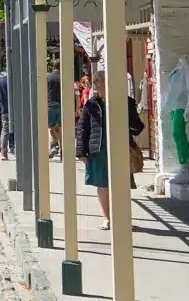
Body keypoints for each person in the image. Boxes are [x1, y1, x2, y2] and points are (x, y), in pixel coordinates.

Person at [75, 67, 144, 231]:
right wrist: (80, 151)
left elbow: (137, 126)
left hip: (120, 148)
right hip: (98, 150)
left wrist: (129, 126)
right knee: (103, 185)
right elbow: (82, 127)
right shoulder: (91, 104)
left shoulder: (125, 101)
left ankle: (123, 219)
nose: (95, 85)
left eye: (98, 81)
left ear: (108, 82)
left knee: (121, 185)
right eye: (94, 82)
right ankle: (107, 219)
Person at [0, 69, 13, 159]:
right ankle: (14, 148)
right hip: (16, 109)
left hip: (5, 109)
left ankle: (4, 153)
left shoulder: (1, 81)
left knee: (5, 130)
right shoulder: (16, 80)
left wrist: (0, 107)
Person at [47, 61, 62, 160]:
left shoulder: (48, 77)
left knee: (50, 128)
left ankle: (53, 145)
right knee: (59, 128)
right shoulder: (64, 77)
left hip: (51, 104)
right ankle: (62, 149)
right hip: (62, 105)